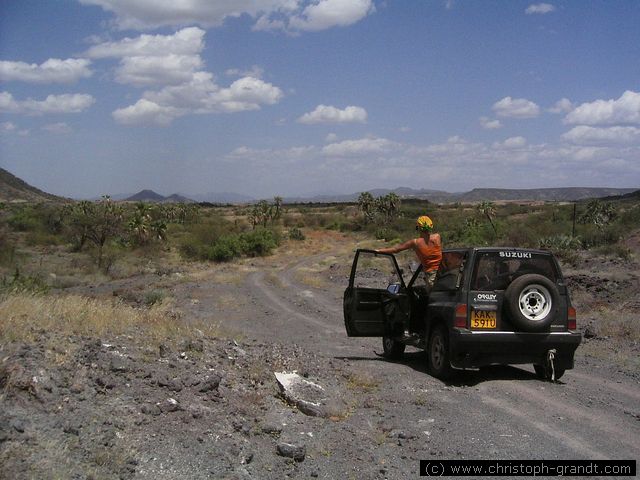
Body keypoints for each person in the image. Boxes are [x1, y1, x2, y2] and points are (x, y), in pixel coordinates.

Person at [376, 215, 443, 290]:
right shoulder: (437, 237)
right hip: (444, 273)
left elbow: (396, 249)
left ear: (418, 228)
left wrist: (378, 251)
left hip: (431, 276)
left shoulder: (415, 242)